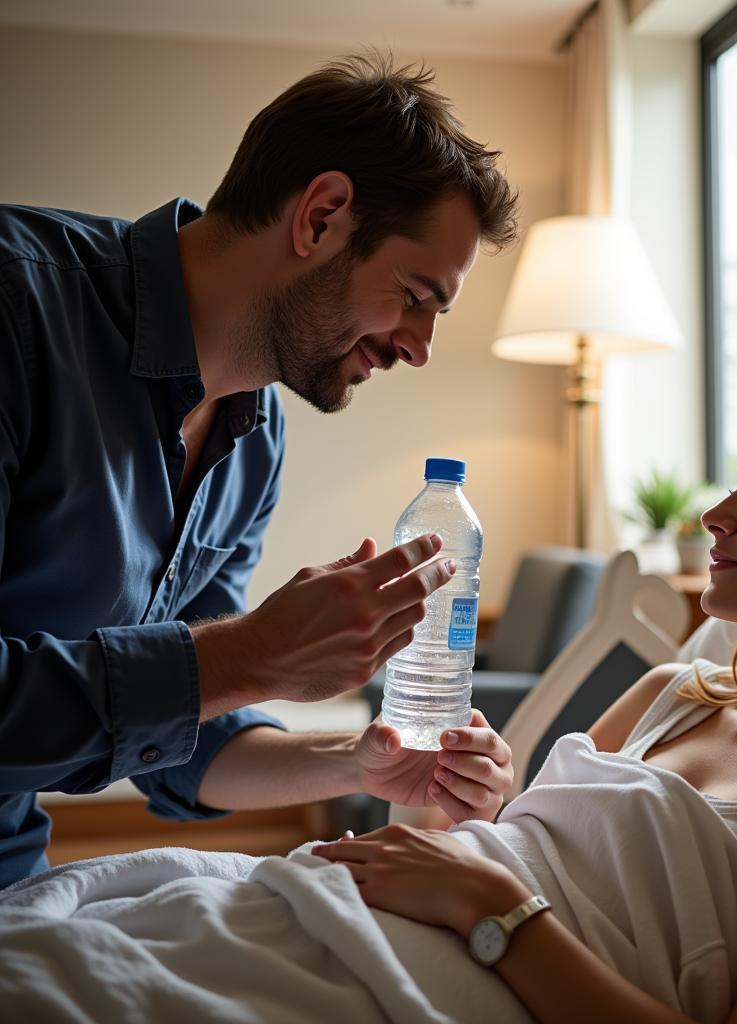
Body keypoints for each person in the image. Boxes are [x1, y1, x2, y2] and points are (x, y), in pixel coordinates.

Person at [310, 369, 737, 1023]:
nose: (715, 515)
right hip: (341, 922)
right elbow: (515, 855)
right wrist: (472, 806)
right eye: (735, 485)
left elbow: (502, 896)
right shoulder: (668, 695)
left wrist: (492, 908)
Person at [0, 52, 520, 890]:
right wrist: (251, 655)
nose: (421, 349)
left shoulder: (256, 433)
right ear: (321, 217)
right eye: (418, 296)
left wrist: (363, 763)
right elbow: (207, 671)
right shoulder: (17, 308)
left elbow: (186, 736)